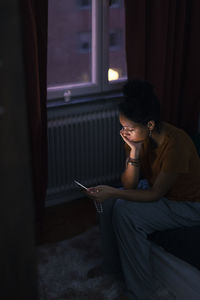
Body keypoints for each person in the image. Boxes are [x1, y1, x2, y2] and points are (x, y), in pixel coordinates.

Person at [86, 79, 200, 300]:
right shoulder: (137, 138)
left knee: (124, 211)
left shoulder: (177, 143)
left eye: (129, 128)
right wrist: (134, 153)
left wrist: (113, 191)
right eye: (122, 126)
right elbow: (129, 184)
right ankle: (112, 266)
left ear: (149, 125)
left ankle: (140, 292)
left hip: (189, 203)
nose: (124, 132)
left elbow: (155, 194)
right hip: (164, 192)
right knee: (108, 202)